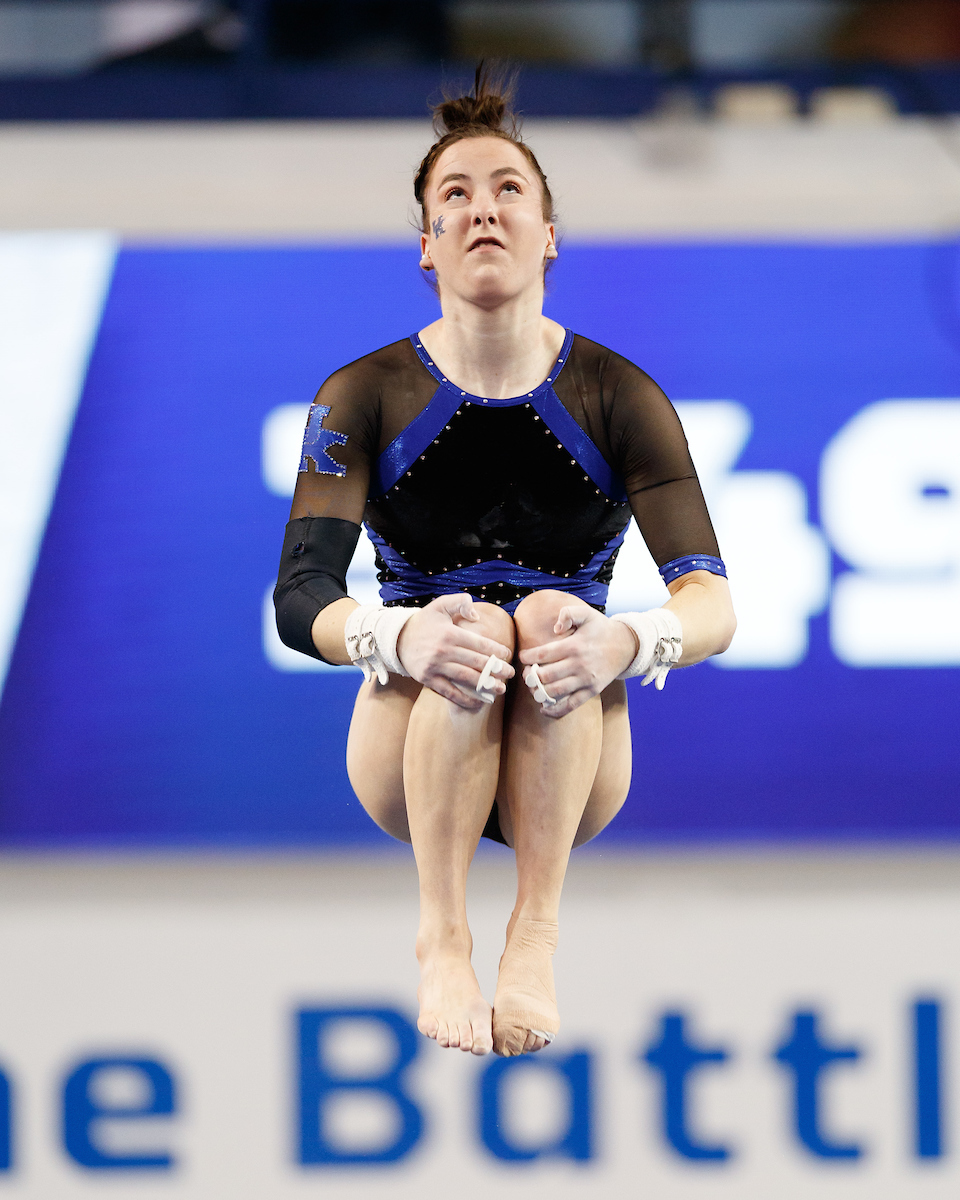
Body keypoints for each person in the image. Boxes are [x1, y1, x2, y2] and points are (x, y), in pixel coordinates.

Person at [274, 68, 736, 1058]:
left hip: (572, 756)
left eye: (508, 190)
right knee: (477, 625)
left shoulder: (621, 394)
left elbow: (711, 602)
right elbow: (299, 596)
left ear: (550, 233)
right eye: (455, 196)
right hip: (409, 741)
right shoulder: (361, 394)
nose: (483, 207)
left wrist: (628, 639)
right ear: (428, 247)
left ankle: (535, 929)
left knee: (552, 620)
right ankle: (443, 933)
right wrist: (398, 631)